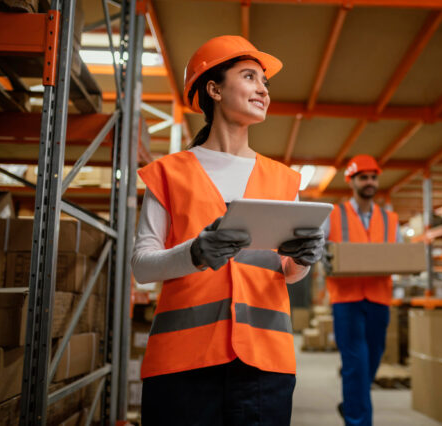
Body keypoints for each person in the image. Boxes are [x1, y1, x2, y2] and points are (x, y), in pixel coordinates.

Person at [131, 35, 325, 425]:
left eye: (265, 83)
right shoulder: (169, 173)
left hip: (264, 363)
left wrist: (304, 261)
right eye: (250, 77)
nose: (262, 90)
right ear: (214, 89)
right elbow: (141, 265)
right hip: (183, 365)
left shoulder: (286, 180)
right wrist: (195, 253)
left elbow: (287, 272)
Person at [322, 154, 401, 426]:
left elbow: (401, 255)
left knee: (372, 361)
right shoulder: (333, 214)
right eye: (363, 177)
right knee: (356, 363)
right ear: (351, 181)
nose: (369, 182)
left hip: (380, 298)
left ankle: (351, 404)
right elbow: (321, 251)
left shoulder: (391, 219)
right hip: (347, 300)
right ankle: (358, 420)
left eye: (373, 177)